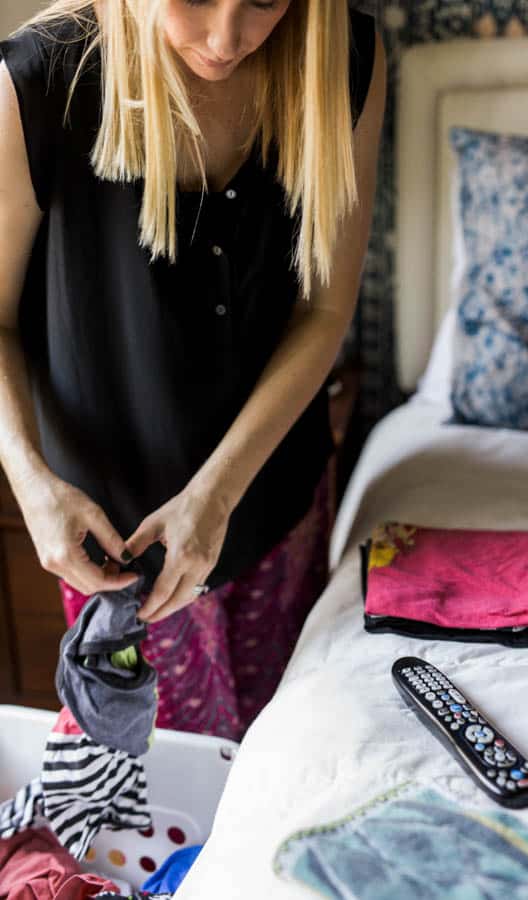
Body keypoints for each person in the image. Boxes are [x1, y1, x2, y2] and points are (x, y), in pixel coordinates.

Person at [0, 0, 385, 742]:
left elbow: (323, 312)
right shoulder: (35, 82)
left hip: (276, 505)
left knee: (288, 756)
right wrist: (30, 480)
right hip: (113, 542)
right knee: (150, 780)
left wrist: (217, 495)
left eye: (266, 2)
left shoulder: (347, 58)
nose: (226, 38)